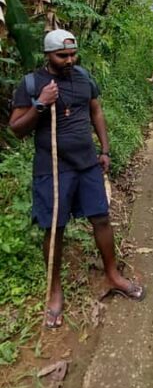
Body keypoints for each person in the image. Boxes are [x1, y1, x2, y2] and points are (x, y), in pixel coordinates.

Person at [9, 29, 145, 329]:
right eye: (62, 56)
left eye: (73, 54)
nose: (70, 60)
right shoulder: (33, 83)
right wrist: (41, 104)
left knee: (102, 219)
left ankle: (113, 274)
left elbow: (96, 111)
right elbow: (16, 128)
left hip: (87, 165)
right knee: (54, 229)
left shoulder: (84, 77)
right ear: (48, 55)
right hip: (53, 167)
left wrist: (105, 149)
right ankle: (55, 292)